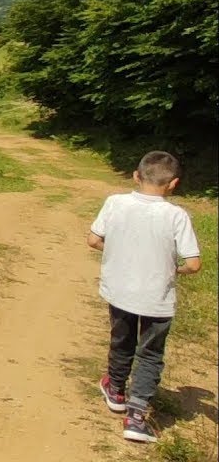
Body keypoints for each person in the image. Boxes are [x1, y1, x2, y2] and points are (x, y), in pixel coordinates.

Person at [87, 150, 201, 443]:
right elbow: (193, 264)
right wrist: (174, 269)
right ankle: (136, 418)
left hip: (120, 291)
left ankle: (115, 390)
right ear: (173, 184)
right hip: (157, 299)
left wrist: (117, 251)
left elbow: (94, 239)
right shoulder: (176, 215)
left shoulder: (115, 203)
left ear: (136, 176)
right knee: (150, 354)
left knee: (121, 341)